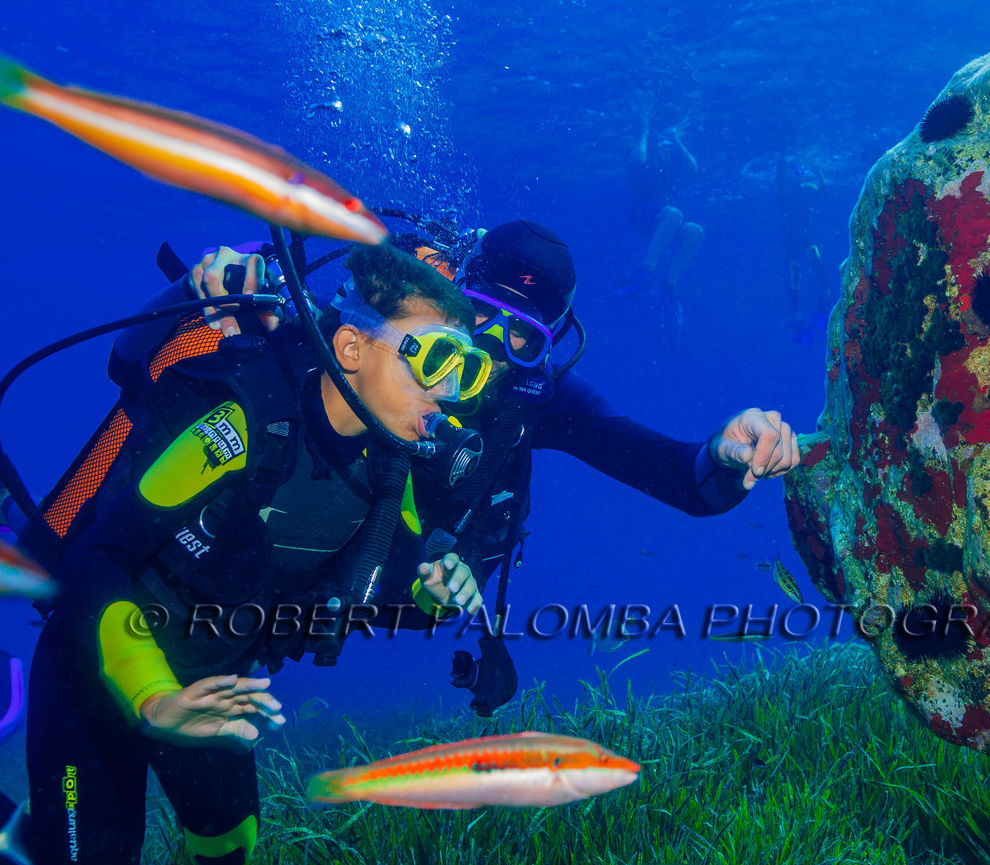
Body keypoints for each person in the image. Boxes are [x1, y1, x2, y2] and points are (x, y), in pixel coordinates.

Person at [0, 243, 490, 865]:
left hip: (211, 677)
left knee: (230, 851)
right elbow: (98, 561)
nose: (450, 391)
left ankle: (63, 832)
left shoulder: (392, 468)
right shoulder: (239, 421)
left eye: (467, 371)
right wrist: (153, 697)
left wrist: (431, 590)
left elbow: (386, 585)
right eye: (435, 361)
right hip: (99, 666)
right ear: (353, 348)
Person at [193, 220, 802, 716]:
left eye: (525, 340)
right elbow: (296, 317)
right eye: (479, 317)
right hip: (249, 588)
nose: (488, 352)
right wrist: (242, 281)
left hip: (377, 603)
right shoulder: (380, 345)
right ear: (453, 295)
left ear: (545, 349)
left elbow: (678, 478)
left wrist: (725, 453)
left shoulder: (534, 401)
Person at [615, 111, 703, 316]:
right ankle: (647, 269)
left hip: (664, 221)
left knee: (695, 231)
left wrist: (677, 140)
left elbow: (692, 168)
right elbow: (637, 160)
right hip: (642, 215)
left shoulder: (669, 161)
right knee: (674, 214)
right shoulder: (641, 154)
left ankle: (670, 283)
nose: (665, 149)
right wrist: (644, 132)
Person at [776, 153, 832, 345]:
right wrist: (784, 155)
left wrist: (818, 171)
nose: (797, 173)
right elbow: (780, 169)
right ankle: (797, 316)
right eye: (793, 171)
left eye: (798, 170)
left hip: (804, 236)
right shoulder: (783, 190)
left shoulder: (806, 189)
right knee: (795, 273)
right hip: (789, 239)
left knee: (816, 260)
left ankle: (825, 296)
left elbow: (825, 192)